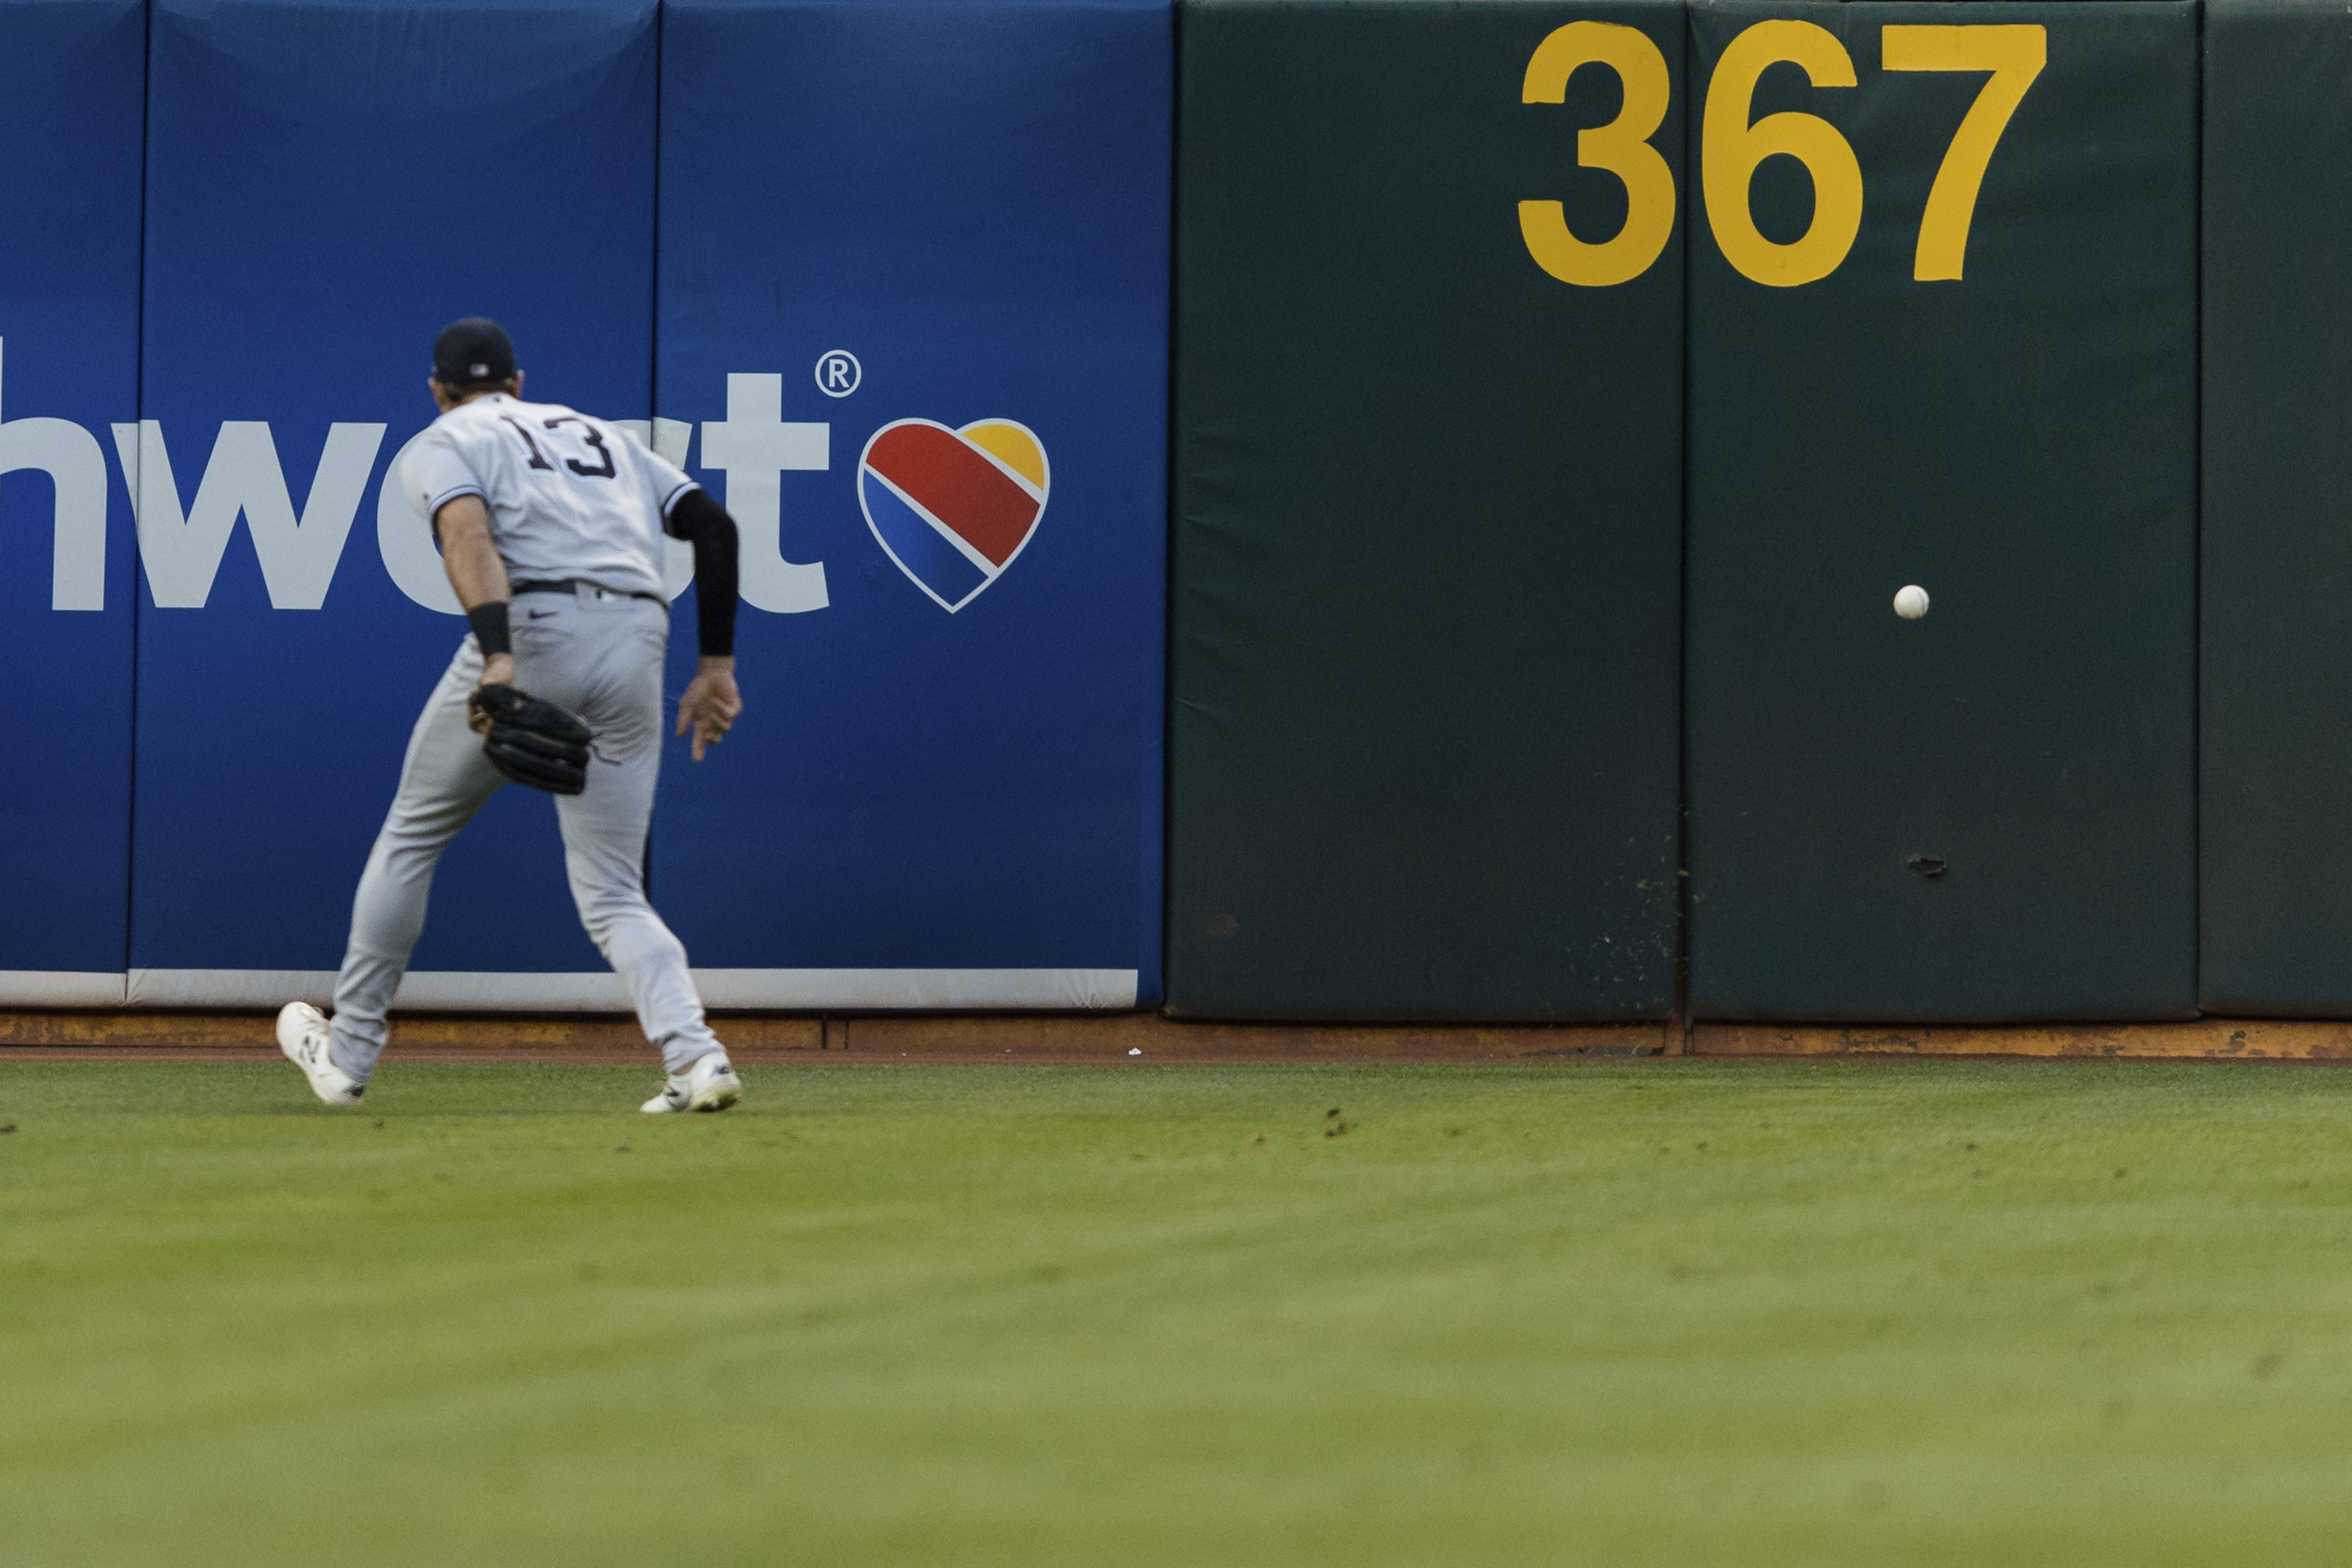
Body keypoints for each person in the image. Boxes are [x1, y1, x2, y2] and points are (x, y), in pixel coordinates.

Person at [275, 318, 747, 1113]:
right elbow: (714, 526)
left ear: (437, 389)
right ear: (519, 382)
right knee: (613, 892)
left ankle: (348, 1053)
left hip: (532, 629)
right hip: (638, 637)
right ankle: (697, 1057)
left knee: (414, 831)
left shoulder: (444, 437)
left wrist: (498, 657)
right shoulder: (603, 434)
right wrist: (716, 666)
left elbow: (467, 533)